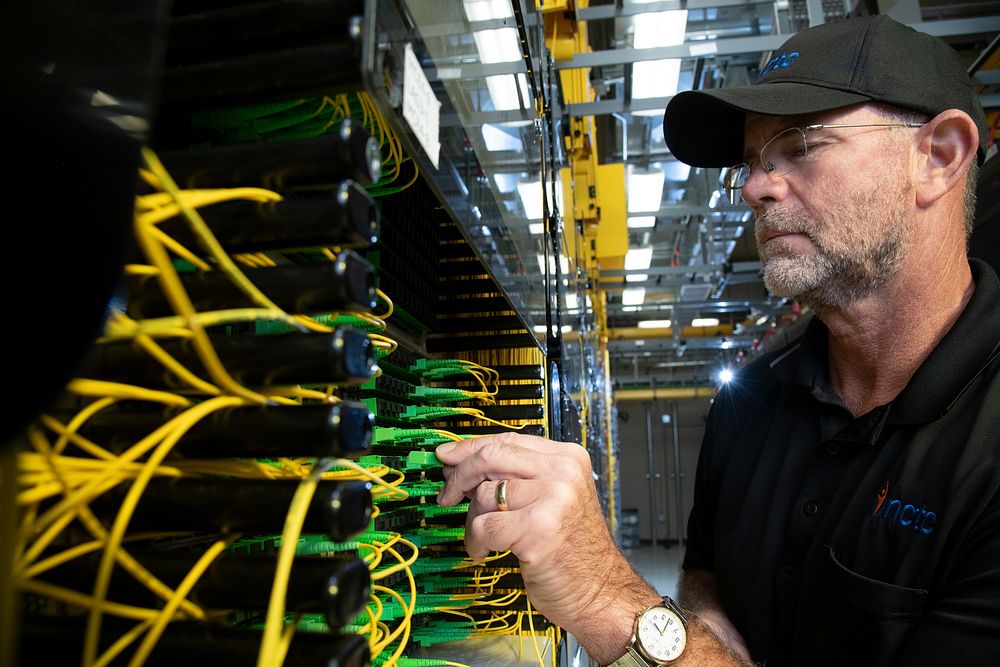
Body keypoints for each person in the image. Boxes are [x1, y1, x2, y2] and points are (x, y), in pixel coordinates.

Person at [436, 14, 1000, 666]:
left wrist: (604, 596)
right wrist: (704, 627)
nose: (756, 187)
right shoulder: (752, 400)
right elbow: (707, 576)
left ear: (938, 157)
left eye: (800, 144)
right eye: (753, 163)